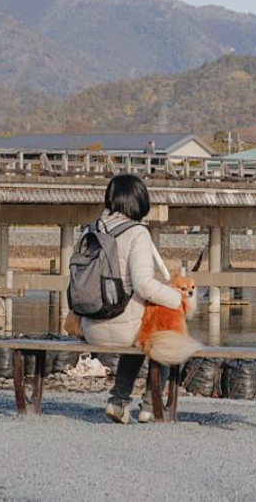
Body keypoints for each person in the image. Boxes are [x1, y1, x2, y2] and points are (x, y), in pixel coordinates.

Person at [80, 173, 182, 424]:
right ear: (139, 200)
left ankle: (118, 400)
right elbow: (145, 285)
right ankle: (150, 405)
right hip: (124, 329)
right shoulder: (137, 233)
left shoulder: (90, 230)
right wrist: (177, 298)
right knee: (164, 334)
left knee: (136, 336)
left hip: (91, 327)